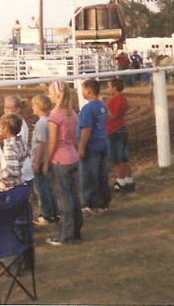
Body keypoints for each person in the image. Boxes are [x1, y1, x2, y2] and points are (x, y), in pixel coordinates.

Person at [43, 80, 82, 246]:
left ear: (57, 95)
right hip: (72, 157)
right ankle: (75, 231)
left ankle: (65, 236)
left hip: (61, 160)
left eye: (50, 92)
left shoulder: (55, 115)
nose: (48, 95)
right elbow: (73, 139)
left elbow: (52, 142)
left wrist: (46, 163)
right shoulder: (72, 113)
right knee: (74, 197)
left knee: (64, 200)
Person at [78, 79, 110, 217]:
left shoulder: (88, 108)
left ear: (88, 91)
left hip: (92, 146)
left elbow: (86, 129)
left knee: (89, 176)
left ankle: (91, 205)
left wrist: (81, 147)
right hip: (103, 142)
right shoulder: (102, 106)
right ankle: (103, 203)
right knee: (102, 175)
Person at [30, 94, 59, 225]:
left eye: (34, 105)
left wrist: (36, 162)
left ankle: (46, 214)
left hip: (41, 160)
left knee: (41, 188)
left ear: (40, 107)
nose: (32, 108)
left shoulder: (41, 123)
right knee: (48, 187)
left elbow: (42, 143)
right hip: (47, 159)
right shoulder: (49, 120)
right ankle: (54, 212)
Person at [103, 78, 133, 193]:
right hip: (121, 129)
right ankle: (129, 181)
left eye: (109, 86)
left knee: (117, 159)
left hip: (115, 131)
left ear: (114, 88)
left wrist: (105, 104)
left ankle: (121, 183)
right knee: (125, 158)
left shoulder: (117, 99)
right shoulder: (123, 99)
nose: (108, 89)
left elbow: (113, 116)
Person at [0, 114, 28, 192]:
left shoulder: (10, 148)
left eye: (1, 127)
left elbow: (13, 171)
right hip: (20, 183)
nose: (0, 130)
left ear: (6, 129)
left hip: (9, 188)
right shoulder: (21, 142)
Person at [4, 95, 33, 184]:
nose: (6, 110)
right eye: (5, 107)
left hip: (18, 169)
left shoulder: (20, 127)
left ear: (18, 110)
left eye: (9, 108)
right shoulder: (12, 123)